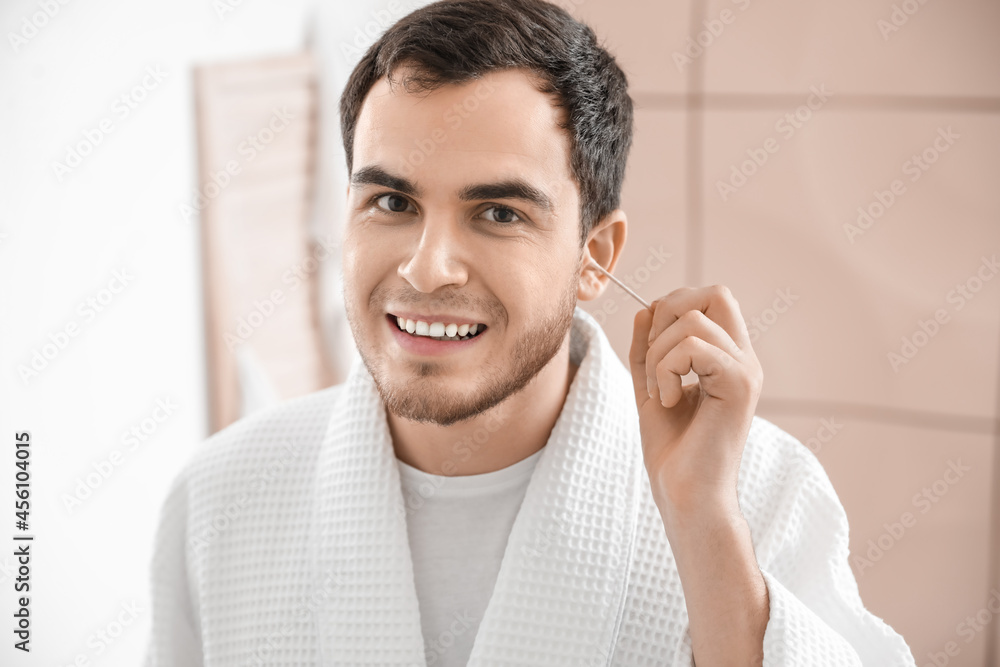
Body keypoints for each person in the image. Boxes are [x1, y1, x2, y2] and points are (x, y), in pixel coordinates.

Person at [144, 0, 918, 665]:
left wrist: (703, 523)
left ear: (596, 256)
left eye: (499, 213)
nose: (428, 268)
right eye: (391, 202)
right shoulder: (219, 499)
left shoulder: (756, 492)